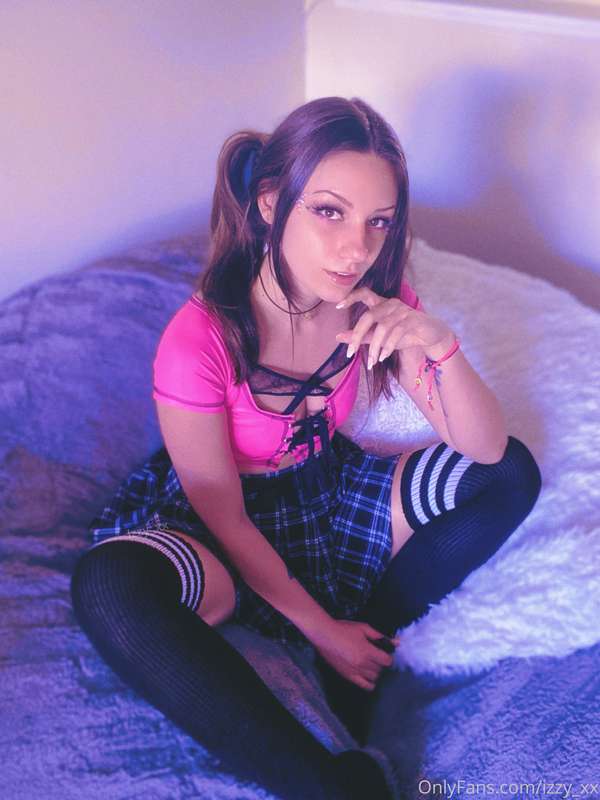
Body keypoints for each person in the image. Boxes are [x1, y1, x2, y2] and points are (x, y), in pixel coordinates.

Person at [70, 96, 542, 800]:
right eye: (329, 212)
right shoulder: (198, 341)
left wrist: (439, 343)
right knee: (110, 585)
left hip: (329, 492)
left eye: (378, 222)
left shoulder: (376, 301)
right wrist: (319, 629)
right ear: (271, 203)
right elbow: (225, 515)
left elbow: (483, 446)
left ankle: (370, 638)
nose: (356, 250)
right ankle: (328, 783)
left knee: (510, 473)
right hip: (223, 521)